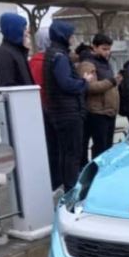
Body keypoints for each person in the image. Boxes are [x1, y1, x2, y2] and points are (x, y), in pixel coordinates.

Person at [43, 21, 89, 191]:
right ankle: (71, 188)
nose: (72, 38)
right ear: (63, 36)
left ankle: (66, 186)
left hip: (60, 111)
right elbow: (65, 83)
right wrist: (83, 82)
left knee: (65, 153)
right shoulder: (60, 56)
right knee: (72, 153)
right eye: (70, 34)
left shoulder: (52, 53)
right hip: (68, 112)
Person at [79, 33, 120, 162]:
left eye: (109, 49)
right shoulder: (88, 64)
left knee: (107, 147)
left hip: (109, 111)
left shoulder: (105, 63)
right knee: (100, 148)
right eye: (104, 49)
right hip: (97, 112)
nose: (107, 52)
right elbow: (90, 87)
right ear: (94, 47)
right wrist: (112, 81)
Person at [29, 27, 60, 191]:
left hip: (39, 110)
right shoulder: (51, 61)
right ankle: (56, 182)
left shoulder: (32, 62)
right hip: (52, 110)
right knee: (56, 148)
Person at [0, 13, 33, 88]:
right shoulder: (4, 55)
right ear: (14, 29)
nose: (27, 33)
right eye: (24, 28)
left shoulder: (16, 51)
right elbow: (9, 87)